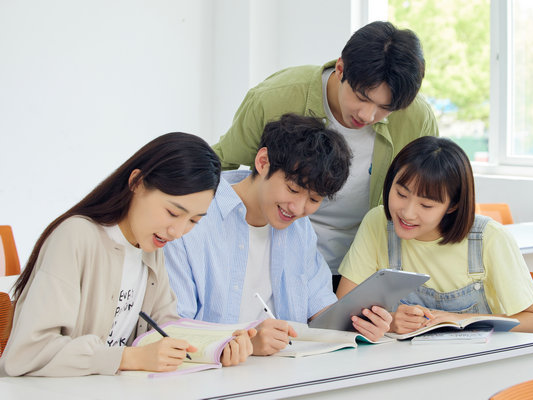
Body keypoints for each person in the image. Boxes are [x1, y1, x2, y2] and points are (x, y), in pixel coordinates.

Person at [0, 133, 255, 377]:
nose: (178, 231)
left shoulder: (150, 250)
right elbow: (28, 352)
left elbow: (166, 327)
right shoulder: (76, 236)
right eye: (173, 213)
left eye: (194, 220)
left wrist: (218, 346)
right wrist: (129, 357)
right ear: (136, 182)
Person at [212, 21, 439, 286]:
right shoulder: (274, 98)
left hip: (363, 266)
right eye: (362, 97)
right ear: (341, 68)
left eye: (384, 108)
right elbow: (220, 166)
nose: (367, 115)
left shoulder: (415, 118)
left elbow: (431, 189)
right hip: (276, 257)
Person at [166, 114, 392, 356]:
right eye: (293, 189)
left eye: (314, 199)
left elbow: (322, 309)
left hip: (286, 373)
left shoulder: (300, 229)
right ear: (263, 162)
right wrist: (248, 344)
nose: (297, 208)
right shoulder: (195, 218)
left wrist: (361, 325)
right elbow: (174, 330)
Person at [336, 136, 533, 334]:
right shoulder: (378, 223)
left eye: (426, 205)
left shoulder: (489, 238)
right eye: (401, 194)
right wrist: (391, 322)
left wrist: (459, 319)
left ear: (452, 206)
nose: (407, 213)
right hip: (401, 364)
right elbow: (340, 314)